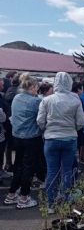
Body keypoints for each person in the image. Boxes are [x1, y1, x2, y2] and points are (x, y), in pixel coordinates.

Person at [37, 72, 84, 213]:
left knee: (52, 172)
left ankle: (51, 205)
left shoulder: (46, 100)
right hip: (70, 139)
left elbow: (40, 121)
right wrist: (73, 128)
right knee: (66, 171)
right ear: (70, 83)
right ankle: (65, 201)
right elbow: (81, 121)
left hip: (51, 139)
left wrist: (48, 130)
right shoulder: (75, 100)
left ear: (55, 83)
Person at [3, 73, 43, 209]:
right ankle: (24, 197)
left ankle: (11, 194)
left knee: (18, 165)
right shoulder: (35, 101)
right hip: (31, 138)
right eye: (36, 87)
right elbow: (41, 119)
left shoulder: (16, 98)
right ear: (32, 86)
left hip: (17, 136)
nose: (37, 89)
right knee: (28, 167)